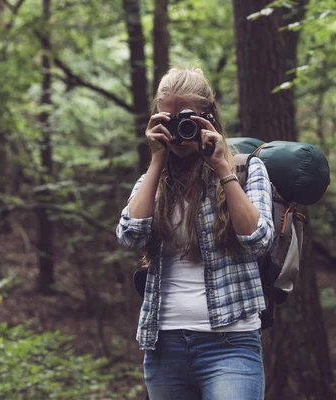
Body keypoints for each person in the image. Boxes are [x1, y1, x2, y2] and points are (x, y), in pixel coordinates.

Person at [116, 67, 274, 400]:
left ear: (209, 118)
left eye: (186, 121)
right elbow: (130, 235)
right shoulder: (153, 181)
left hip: (231, 343)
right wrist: (157, 160)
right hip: (164, 344)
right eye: (168, 122)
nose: (179, 133)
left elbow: (258, 239)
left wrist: (222, 169)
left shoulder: (247, 169)